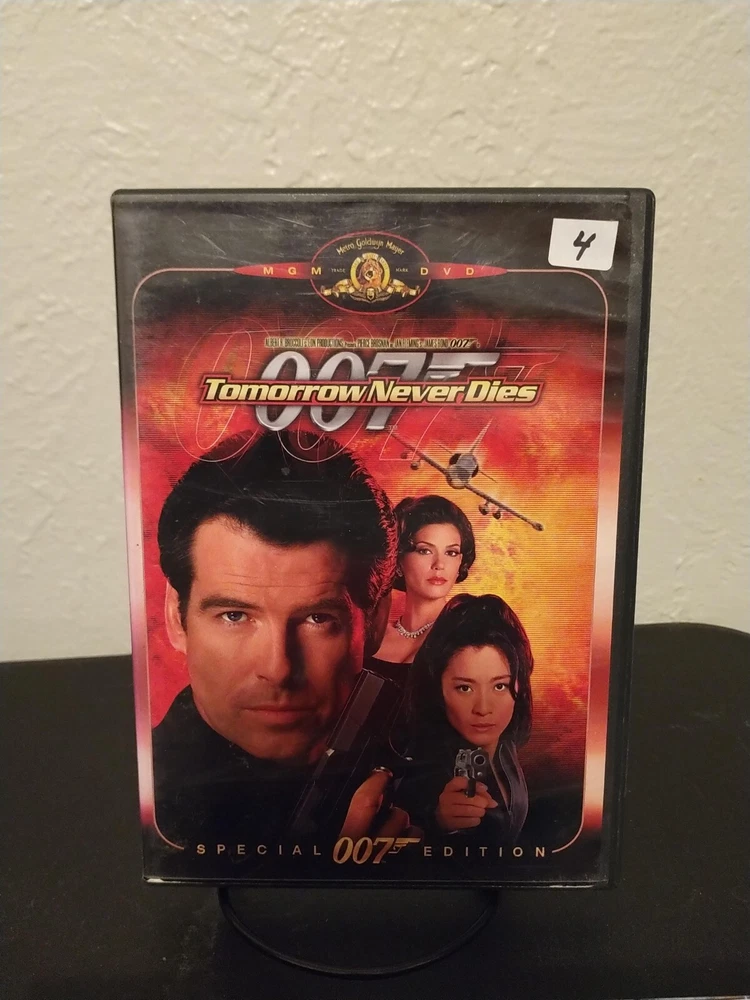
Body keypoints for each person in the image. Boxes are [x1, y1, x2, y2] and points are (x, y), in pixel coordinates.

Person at [151, 429, 405, 857]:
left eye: (317, 618)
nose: (279, 668)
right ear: (177, 617)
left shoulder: (433, 750)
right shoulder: (151, 814)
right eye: (234, 616)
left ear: (377, 621)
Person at [396, 593, 533, 845]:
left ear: (519, 686)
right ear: (439, 690)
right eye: (464, 688)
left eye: (499, 686)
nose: (483, 708)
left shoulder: (505, 743)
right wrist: (438, 823)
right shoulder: (422, 769)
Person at [371, 495, 476, 684]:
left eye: (451, 552)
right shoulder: (373, 637)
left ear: (460, 562)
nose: (439, 564)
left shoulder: (466, 638)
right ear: (398, 561)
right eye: (424, 551)